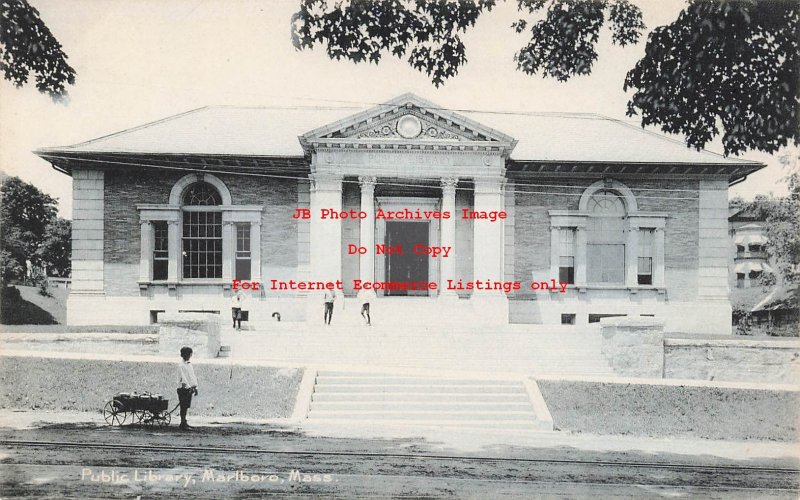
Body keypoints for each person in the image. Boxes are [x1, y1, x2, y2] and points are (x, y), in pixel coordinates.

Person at [177, 346, 198, 430]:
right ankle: (182, 423)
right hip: (183, 388)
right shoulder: (181, 365)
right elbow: (183, 378)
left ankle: (184, 422)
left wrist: (195, 387)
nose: (190, 356)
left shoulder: (189, 365)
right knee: (183, 406)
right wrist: (188, 387)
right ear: (184, 355)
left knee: (186, 406)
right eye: (189, 354)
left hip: (189, 388)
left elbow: (192, 376)